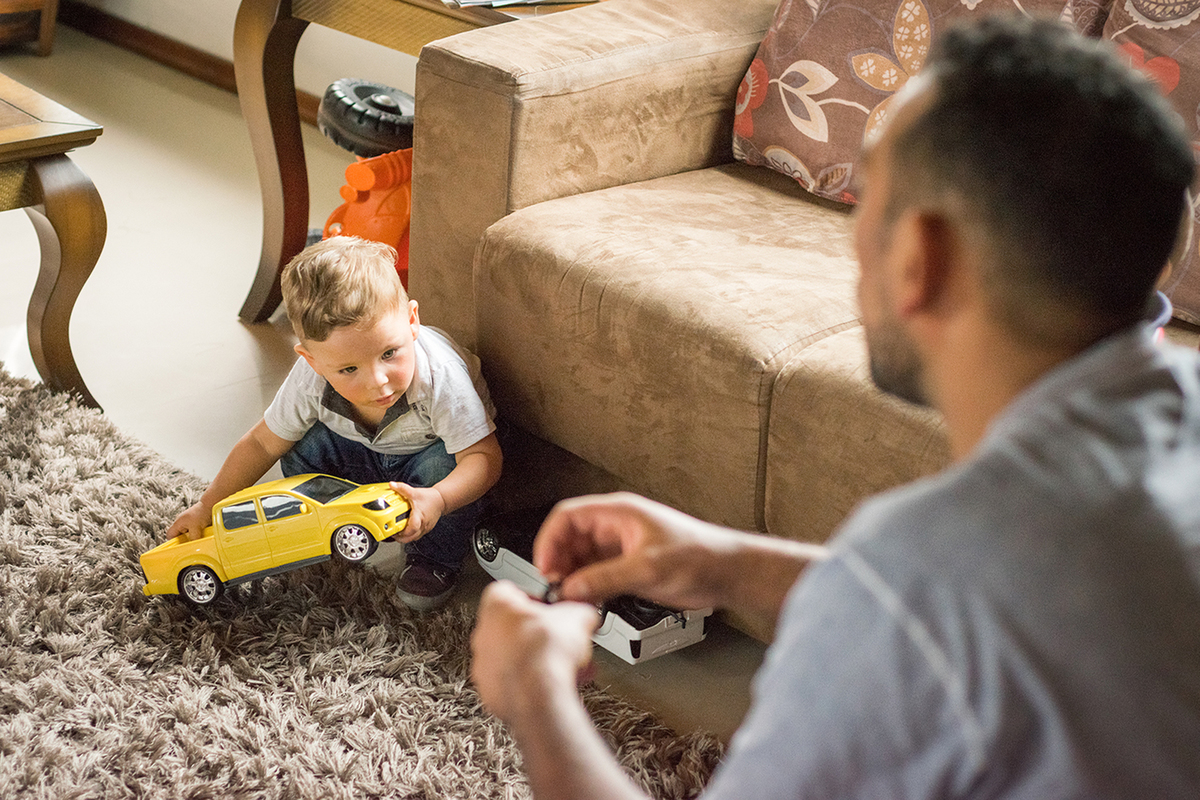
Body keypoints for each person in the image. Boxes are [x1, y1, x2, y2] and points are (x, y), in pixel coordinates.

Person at [470, 16, 1200, 798]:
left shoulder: (918, 575)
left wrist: (536, 700)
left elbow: (924, 605)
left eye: (868, 211)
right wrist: (727, 566)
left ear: (919, 259)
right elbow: (998, 619)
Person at [167, 236, 502, 609]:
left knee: (443, 466)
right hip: (358, 455)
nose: (378, 381)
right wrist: (207, 505)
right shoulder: (310, 380)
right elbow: (263, 443)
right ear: (311, 361)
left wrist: (438, 499)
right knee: (300, 444)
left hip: (423, 460)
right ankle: (325, 525)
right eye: (348, 369)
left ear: (412, 321)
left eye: (390, 353)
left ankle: (434, 560)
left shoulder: (440, 377)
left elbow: (483, 457)